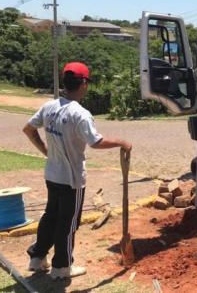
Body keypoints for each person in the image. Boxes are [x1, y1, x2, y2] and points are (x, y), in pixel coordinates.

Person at [22, 62, 132, 279]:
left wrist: (46, 151)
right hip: (72, 180)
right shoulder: (80, 114)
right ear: (83, 84)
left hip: (52, 175)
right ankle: (62, 267)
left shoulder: (49, 107)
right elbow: (96, 142)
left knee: (50, 216)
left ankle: (37, 258)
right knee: (68, 223)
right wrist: (122, 142)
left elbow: (28, 129)